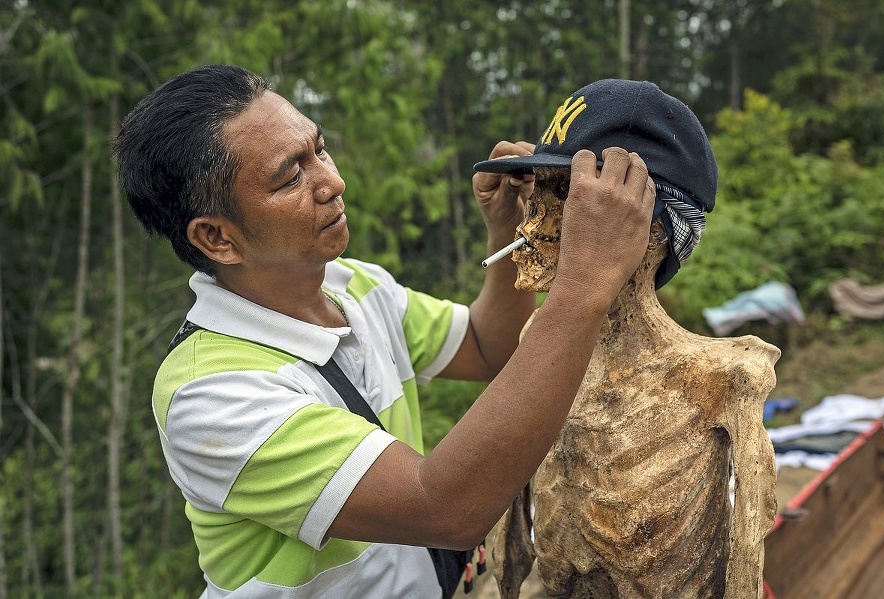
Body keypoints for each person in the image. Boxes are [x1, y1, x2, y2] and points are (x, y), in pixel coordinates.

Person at [112, 64, 654, 598]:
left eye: (318, 150)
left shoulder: (354, 287)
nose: (332, 181)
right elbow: (445, 508)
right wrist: (586, 281)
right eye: (290, 177)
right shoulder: (211, 395)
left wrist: (511, 230)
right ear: (217, 237)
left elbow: (487, 349)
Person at [475, 79, 779, 599]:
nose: (533, 222)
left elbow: (744, 577)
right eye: (538, 193)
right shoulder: (538, 340)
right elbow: (510, 535)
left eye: (567, 196)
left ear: (648, 225)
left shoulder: (723, 378)